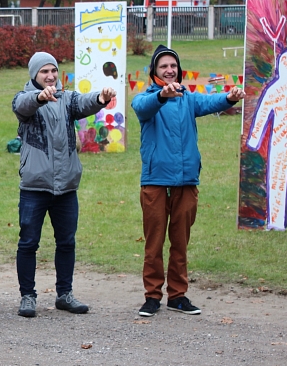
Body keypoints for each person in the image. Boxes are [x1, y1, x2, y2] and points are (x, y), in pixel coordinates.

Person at [132, 45, 245, 317]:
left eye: (173, 66)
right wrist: (161, 95)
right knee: (154, 242)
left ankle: (178, 295)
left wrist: (230, 97)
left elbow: (210, 102)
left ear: (179, 70)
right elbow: (144, 108)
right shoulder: (145, 98)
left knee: (180, 242)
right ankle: (152, 296)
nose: (169, 70)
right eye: (163, 67)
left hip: (186, 181)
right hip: (155, 182)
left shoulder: (187, 98)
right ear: (154, 72)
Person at [12, 52, 116, 318]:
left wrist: (100, 98)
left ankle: (65, 295)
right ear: (34, 74)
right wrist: (39, 97)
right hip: (35, 186)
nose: (50, 76)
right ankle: (27, 297)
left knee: (66, 242)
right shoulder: (24, 98)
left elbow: (84, 103)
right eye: (44, 72)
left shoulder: (67, 98)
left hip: (66, 187)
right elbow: (22, 106)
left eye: (53, 71)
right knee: (28, 243)